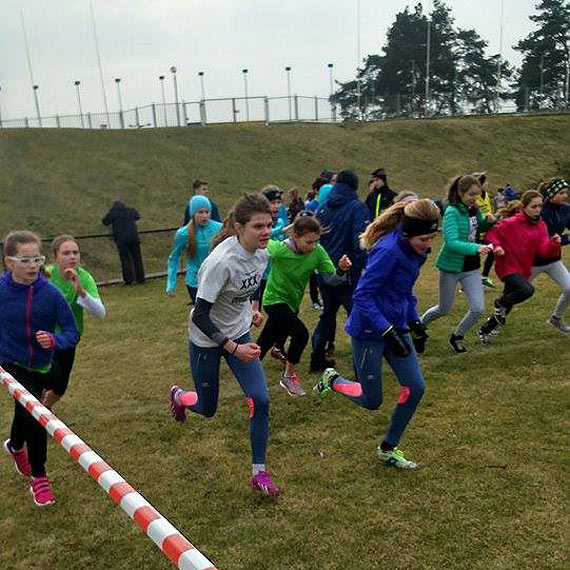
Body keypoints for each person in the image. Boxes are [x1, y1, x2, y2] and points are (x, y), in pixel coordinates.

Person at [313, 199, 440, 469]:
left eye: (431, 237)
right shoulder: (389, 251)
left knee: (415, 388)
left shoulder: (415, 251)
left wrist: (414, 321)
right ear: (407, 232)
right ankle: (333, 380)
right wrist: (386, 329)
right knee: (371, 400)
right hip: (369, 331)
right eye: (424, 238)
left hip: (396, 326)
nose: (428, 245)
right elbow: (363, 295)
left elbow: (402, 290)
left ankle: (388, 448)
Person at [168, 194, 280, 497]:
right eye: (258, 226)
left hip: (240, 333)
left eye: (269, 224)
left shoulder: (262, 252)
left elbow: (256, 283)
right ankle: (179, 396)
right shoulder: (220, 262)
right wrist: (233, 347)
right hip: (207, 338)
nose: (266, 232)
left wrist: (253, 307)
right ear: (239, 227)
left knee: (261, 399)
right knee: (207, 408)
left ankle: (259, 473)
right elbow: (201, 315)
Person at [1, 231, 80, 506]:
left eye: (37, 259)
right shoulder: (1, 291)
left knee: (24, 409)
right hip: (11, 361)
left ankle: (14, 445)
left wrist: (55, 340)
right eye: (25, 260)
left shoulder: (50, 294)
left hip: (43, 363)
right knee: (34, 411)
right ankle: (39, 475)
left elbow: (73, 331)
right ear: (9, 262)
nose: (34, 265)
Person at [256, 212, 351, 397]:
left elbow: (331, 279)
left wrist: (341, 269)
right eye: (309, 242)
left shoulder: (317, 252)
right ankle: (289, 376)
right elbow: (258, 246)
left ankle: (248, 374)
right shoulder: (279, 250)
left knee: (265, 341)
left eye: (316, 241)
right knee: (301, 334)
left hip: (292, 304)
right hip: (273, 300)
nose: (313, 246)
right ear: (295, 236)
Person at [421, 175, 493, 354]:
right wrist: (477, 248)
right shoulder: (452, 211)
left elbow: (476, 229)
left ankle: (457, 336)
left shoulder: (474, 210)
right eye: (471, 195)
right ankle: (419, 326)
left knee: (478, 308)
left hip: (471, 268)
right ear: (460, 193)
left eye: (477, 195)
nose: (475, 198)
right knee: (443, 309)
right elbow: (451, 242)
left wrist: (487, 222)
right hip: (451, 267)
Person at [478, 190, 561, 343]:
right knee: (526, 290)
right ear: (523, 207)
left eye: (539, 206)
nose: (537, 210)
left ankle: (485, 330)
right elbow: (491, 234)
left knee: (508, 306)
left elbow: (543, 251)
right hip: (507, 267)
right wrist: (496, 246)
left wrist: (554, 244)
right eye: (533, 207)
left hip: (523, 269)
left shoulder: (541, 226)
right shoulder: (510, 223)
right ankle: (499, 302)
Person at [310, 170, 369, 371]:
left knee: (327, 315)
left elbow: (315, 239)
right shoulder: (357, 208)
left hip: (325, 271)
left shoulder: (323, 208)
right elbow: (361, 241)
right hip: (347, 272)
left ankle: (316, 357)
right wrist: (363, 267)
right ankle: (360, 363)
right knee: (357, 316)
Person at [43, 235, 106, 409]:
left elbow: (100, 313)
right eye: (66, 253)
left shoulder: (84, 278)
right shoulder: (45, 275)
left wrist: (80, 291)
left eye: (75, 252)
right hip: (44, 336)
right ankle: (34, 415)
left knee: (60, 387)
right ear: (56, 257)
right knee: (48, 377)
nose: (72, 257)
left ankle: (44, 409)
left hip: (69, 337)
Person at [531, 178, 570, 334]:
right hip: (534, 261)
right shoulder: (540, 211)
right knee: (517, 293)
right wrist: (566, 239)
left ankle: (556, 318)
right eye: (561, 193)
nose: (565, 196)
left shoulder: (566, 209)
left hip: (554, 260)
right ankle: (493, 322)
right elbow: (546, 239)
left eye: (566, 192)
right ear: (551, 194)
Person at [167, 195, 223, 303]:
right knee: (202, 315)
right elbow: (174, 257)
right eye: (200, 212)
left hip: (215, 279)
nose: (204, 216)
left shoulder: (219, 228)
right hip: (194, 282)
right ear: (193, 213)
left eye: (207, 212)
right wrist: (171, 283)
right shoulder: (183, 233)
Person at [102, 200, 145, 285]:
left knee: (125, 260)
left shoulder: (113, 213)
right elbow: (137, 216)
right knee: (137, 259)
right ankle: (140, 278)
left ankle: (128, 280)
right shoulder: (130, 210)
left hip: (122, 240)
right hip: (134, 238)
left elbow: (105, 221)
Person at [474, 172, 498, 289]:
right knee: (475, 255)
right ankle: (471, 281)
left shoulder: (486, 195)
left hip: (488, 229)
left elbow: (488, 209)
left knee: (492, 251)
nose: (487, 184)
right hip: (477, 230)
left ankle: (484, 277)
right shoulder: (474, 197)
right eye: (485, 182)